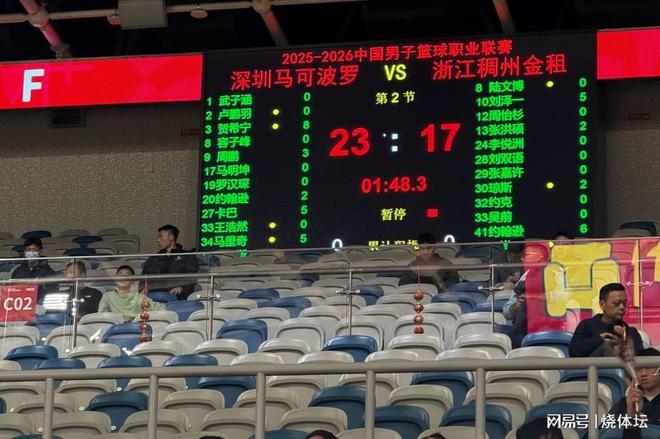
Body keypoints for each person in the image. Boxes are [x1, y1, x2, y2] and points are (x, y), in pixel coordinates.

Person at [569, 283, 644, 357]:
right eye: (616, 303)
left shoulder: (631, 332)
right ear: (602, 305)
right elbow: (574, 352)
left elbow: (641, 358)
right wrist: (600, 339)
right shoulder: (586, 326)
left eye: (624, 303)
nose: (622, 307)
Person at [501, 242, 549, 348]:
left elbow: (562, 300)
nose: (522, 259)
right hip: (522, 328)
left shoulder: (556, 275)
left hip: (548, 328)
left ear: (540, 257)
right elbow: (507, 312)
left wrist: (534, 298)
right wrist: (516, 306)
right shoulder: (524, 277)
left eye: (527, 255)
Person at [608, 347, 660, 438]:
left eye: (649, 367)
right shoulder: (624, 403)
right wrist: (631, 416)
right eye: (638, 369)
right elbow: (603, 433)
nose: (643, 374)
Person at [141, 225, 199, 300]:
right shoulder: (154, 258)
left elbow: (192, 276)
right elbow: (144, 278)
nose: (158, 240)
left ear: (171, 237)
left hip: (179, 298)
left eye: (161, 236)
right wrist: (143, 289)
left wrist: (182, 288)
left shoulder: (187, 256)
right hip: (155, 298)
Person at [99, 265, 164, 321]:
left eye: (126, 275)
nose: (123, 277)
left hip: (136, 327)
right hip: (114, 327)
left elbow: (160, 308)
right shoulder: (107, 296)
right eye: (120, 275)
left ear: (132, 281)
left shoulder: (140, 297)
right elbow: (102, 315)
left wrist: (135, 318)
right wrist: (121, 318)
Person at [11, 237, 56, 303]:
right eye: (28, 250)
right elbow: (12, 290)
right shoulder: (17, 271)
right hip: (21, 304)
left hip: (40, 305)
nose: (31, 252)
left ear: (40, 251)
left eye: (34, 250)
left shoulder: (48, 271)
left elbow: (52, 292)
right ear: (25, 252)